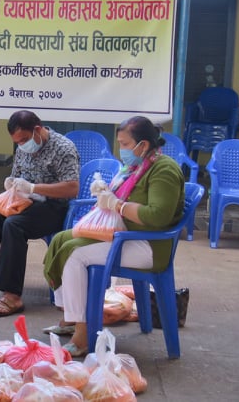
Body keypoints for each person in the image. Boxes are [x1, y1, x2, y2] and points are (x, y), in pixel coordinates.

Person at [43, 116, 185, 357]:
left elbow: (158, 216)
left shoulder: (164, 169)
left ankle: (83, 334)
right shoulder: (135, 167)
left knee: (75, 255)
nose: (122, 149)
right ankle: (70, 316)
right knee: (61, 240)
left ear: (144, 144)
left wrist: (118, 205)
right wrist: (105, 193)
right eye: (120, 143)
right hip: (125, 233)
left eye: (126, 144)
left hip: (148, 245)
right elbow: (120, 198)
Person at [0, 110, 80, 317]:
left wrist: (35, 188)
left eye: (25, 139)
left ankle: (12, 295)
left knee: (13, 225)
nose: (22, 145)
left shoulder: (63, 148)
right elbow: (16, 176)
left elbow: (72, 188)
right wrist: (11, 185)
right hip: (23, 203)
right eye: (17, 142)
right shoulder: (22, 147)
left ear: (37, 130)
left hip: (54, 208)